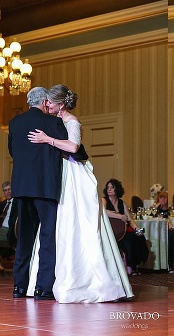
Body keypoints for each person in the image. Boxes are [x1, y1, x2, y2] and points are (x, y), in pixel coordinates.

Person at [26, 85, 133, 302]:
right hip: (61, 171)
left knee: (76, 220)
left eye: (50, 102)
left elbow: (74, 147)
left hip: (74, 174)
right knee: (57, 222)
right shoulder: (55, 121)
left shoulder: (72, 122)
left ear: (61, 104)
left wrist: (48, 139)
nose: (47, 105)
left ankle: (84, 280)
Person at [9, 86, 70, 301]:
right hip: (45, 187)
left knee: (24, 239)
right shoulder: (53, 123)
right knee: (47, 238)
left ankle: (19, 285)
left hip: (22, 188)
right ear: (45, 101)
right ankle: (43, 288)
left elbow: (12, 151)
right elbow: (67, 150)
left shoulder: (15, 123)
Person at [103, 179, 148, 277]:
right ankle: (130, 267)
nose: (109, 189)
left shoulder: (121, 203)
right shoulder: (104, 200)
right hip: (110, 232)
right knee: (130, 239)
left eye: (112, 187)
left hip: (122, 231)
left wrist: (136, 228)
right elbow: (104, 211)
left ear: (117, 189)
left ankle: (134, 265)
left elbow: (129, 219)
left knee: (138, 237)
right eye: (108, 187)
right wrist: (119, 216)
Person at [153, 192, 174, 273]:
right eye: (161, 198)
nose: (163, 199)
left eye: (165, 198)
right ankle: (171, 264)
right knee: (171, 236)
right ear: (158, 199)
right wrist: (156, 206)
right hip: (157, 230)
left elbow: (169, 221)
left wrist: (173, 229)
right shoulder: (155, 209)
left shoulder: (170, 209)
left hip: (169, 228)